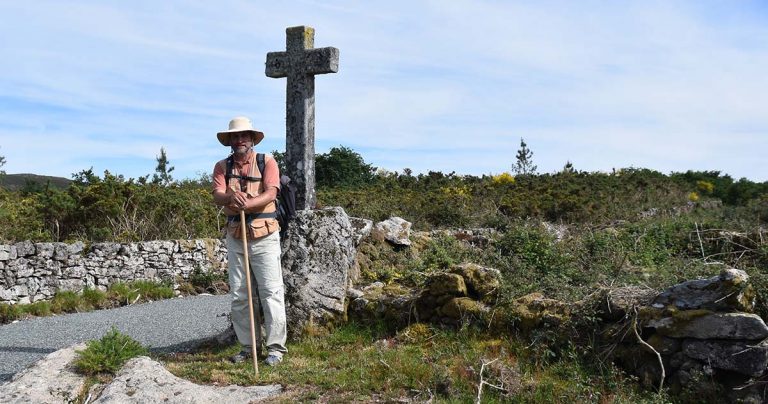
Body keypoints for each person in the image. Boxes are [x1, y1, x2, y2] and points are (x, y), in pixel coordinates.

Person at [212, 116, 287, 366]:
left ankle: (276, 348)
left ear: (252, 139)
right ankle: (248, 347)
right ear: (230, 141)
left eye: (244, 135)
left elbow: (271, 192)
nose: (239, 139)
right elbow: (218, 195)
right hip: (236, 236)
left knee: (271, 292)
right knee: (240, 294)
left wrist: (247, 203)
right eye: (235, 136)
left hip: (265, 235)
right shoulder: (222, 166)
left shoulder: (268, 162)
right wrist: (232, 200)